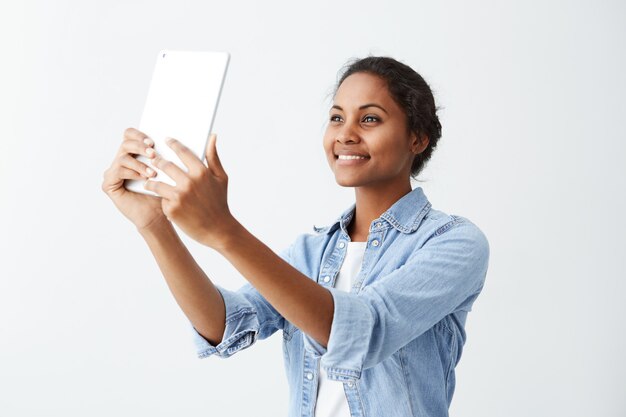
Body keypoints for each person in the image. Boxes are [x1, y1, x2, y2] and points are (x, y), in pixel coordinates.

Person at [102, 56, 490, 417]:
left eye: (370, 119)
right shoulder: (311, 252)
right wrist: (154, 226)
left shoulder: (453, 242)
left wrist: (225, 231)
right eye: (337, 118)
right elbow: (225, 325)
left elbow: (364, 332)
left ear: (417, 139)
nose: (346, 134)